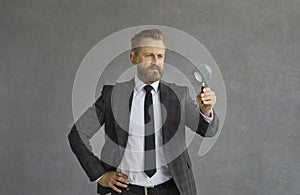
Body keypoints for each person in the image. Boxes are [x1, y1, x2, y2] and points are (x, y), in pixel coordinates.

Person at [68, 29, 219, 195]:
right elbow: (78, 134)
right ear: (133, 58)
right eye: (149, 55)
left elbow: (207, 131)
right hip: (127, 191)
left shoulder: (179, 95)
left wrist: (206, 111)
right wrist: (100, 175)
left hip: (172, 190)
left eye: (160, 56)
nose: (155, 61)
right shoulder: (113, 96)